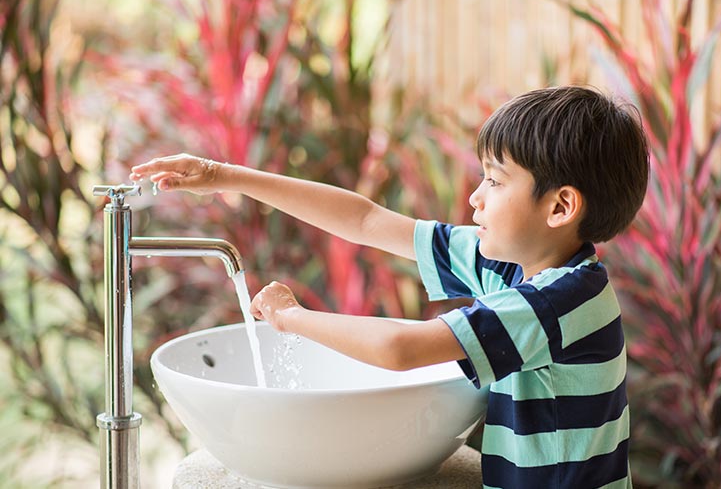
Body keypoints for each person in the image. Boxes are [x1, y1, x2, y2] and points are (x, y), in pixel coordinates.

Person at [130, 85, 649, 489]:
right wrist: (223, 175)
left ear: (559, 207)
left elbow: (401, 350)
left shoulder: (559, 302)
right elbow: (367, 221)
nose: (475, 198)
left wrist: (291, 318)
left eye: (494, 180)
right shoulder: (513, 265)